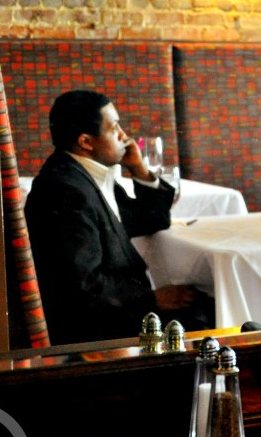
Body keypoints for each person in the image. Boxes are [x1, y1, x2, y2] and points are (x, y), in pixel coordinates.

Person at [25, 89, 213, 345]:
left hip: (119, 307)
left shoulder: (89, 175)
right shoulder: (65, 190)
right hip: (100, 323)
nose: (125, 137)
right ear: (86, 142)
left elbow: (152, 219)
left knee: (210, 300)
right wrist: (153, 298)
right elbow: (82, 284)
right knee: (210, 313)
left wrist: (139, 169)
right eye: (114, 128)